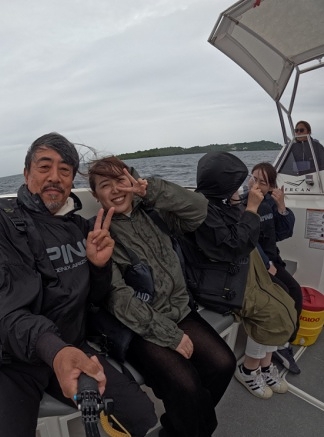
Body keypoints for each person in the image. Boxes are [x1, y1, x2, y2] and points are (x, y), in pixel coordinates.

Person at [0, 133, 157, 437]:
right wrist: (55, 351)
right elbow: (6, 310)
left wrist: (99, 267)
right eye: (44, 167)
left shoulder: (78, 227)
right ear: (26, 174)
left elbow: (94, 298)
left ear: (71, 181)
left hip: (71, 344)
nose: (55, 177)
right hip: (11, 361)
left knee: (142, 418)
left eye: (65, 170)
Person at [88, 156, 236, 437]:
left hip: (179, 309)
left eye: (121, 180)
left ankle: (177, 430)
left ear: (132, 179)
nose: (116, 189)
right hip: (136, 326)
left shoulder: (155, 214)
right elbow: (117, 297)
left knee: (223, 364)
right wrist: (171, 336)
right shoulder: (99, 234)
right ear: (96, 195)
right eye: (105, 185)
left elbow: (198, 210)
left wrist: (152, 190)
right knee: (186, 385)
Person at [191, 151, 289, 400]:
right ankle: (248, 370)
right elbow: (236, 245)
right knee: (269, 313)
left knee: (284, 296)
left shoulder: (220, 205)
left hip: (235, 271)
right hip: (219, 284)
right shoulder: (203, 212)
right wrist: (251, 208)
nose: (243, 188)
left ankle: (264, 365)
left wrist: (238, 203)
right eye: (235, 185)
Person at [249, 162, 303, 374]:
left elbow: (282, 234)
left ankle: (284, 343)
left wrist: (281, 207)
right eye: (254, 178)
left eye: (263, 182)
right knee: (284, 294)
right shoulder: (244, 204)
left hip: (272, 260)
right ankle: (279, 344)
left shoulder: (270, 203)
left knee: (296, 292)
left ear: (271, 186)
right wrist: (266, 264)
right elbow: (248, 241)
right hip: (256, 265)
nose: (256, 184)